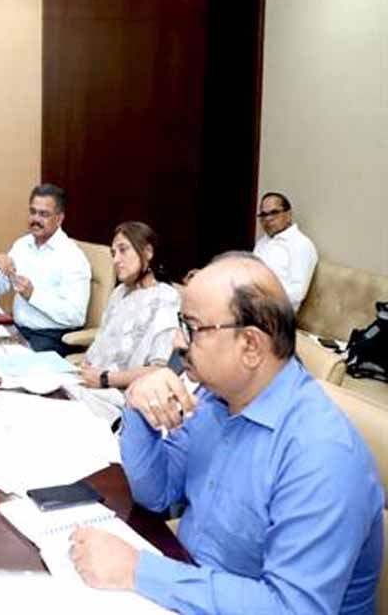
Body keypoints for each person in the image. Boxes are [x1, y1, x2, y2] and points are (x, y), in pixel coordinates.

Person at [69, 252, 384, 614]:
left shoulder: (322, 455)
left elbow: (293, 608)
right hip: (193, 582)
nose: (178, 342)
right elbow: (157, 493)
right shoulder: (216, 398)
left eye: (193, 328)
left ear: (250, 345)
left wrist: (138, 571)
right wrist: (138, 404)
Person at [72, 222, 180, 423]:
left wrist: (104, 378)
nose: (116, 260)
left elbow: (159, 370)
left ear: (147, 252)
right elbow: (103, 341)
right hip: (90, 385)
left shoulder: (165, 298)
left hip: (122, 399)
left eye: (123, 250)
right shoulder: (119, 293)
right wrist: (87, 365)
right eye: (113, 253)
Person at [0, 183, 91, 355]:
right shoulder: (22, 245)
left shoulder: (72, 257)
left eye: (44, 214)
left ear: (59, 219)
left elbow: (76, 316)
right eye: (33, 212)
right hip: (19, 330)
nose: (36, 219)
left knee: (7, 364)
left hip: (52, 338)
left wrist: (33, 295)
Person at [252, 191, 318, 311]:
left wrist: (264, 296)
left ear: (288, 215)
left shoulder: (301, 245)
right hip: (253, 304)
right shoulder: (262, 242)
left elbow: (298, 293)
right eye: (263, 215)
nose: (268, 219)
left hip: (278, 312)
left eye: (274, 212)